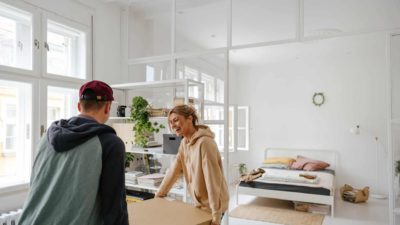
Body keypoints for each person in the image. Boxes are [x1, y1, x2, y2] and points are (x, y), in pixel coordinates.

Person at [18, 80, 128, 225]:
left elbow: (35, 184)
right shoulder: (109, 143)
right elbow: (113, 206)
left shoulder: (47, 136)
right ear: (108, 108)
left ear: (78, 106)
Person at [155, 105, 229, 225]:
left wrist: (216, 214)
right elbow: (173, 170)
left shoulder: (205, 143)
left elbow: (212, 180)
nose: (173, 125)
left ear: (189, 119)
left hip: (215, 204)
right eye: (170, 122)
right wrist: (159, 194)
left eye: (176, 120)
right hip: (200, 203)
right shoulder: (185, 143)